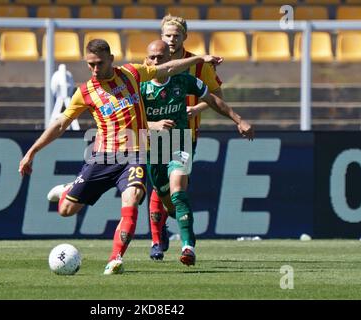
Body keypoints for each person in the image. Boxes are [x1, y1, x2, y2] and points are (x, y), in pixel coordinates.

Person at [18, 39, 221, 275]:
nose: (95, 69)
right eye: (90, 64)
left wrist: (198, 59)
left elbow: (168, 68)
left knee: (132, 197)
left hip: (134, 154)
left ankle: (115, 259)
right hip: (103, 157)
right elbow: (61, 124)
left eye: (99, 63)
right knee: (66, 210)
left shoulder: (131, 74)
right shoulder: (85, 92)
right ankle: (68, 189)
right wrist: (32, 152)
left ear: (111, 59)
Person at [142, 40, 254, 265]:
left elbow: (213, 99)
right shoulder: (139, 87)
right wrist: (152, 126)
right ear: (146, 61)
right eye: (152, 58)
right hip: (153, 147)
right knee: (169, 203)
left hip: (179, 141)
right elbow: (128, 122)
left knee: (178, 190)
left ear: (169, 61)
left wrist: (238, 120)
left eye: (161, 58)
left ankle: (188, 246)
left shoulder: (184, 80)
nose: (156, 62)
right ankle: (170, 225)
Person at [147, 14, 229, 257]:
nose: (171, 40)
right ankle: (157, 237)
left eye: (176, 35)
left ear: (185, 37)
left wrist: (197, 109)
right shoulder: (151, 62)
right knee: (158, 186)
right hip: (154, 132)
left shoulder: (199, 64)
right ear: (161, 37)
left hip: (185, 133)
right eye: (167, 35)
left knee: (176, 185)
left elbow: (217, 97)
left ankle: (177, 239)